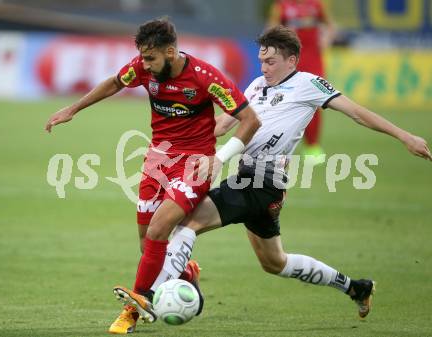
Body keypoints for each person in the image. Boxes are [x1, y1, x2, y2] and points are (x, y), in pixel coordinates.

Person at [116, 25, 432, 326]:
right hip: (250, 181)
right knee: (275, 262)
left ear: (291, 60)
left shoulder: (309, 84)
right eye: (261, 61)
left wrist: (404, 136)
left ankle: (147, 298)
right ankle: (355, 287)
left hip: (263, 184)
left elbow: (358, 113)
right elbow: (225, 123)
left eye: (270, 62)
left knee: (185, 225)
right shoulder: (256, 86)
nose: (264, 68)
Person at [45, 18, 261, 334]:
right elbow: (115, 82)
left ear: (170, 52)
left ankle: (134, 308)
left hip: (194, 164)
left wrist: (219, 158)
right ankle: (186, 274)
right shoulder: (145, 68)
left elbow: (250, 120)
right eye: (142, 57)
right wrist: (73, 109)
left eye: (150, 58)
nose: (143, 64)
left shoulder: (205, 77)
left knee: (160, 229)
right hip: (157, 161)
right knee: (148, 244)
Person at [268, 0, 337, 162]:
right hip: (290, 60)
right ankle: (279, 145)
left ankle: (312, 147)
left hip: (314, 60)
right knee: (284, 101)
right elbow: (270, 31)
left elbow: (331, 25)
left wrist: (326, 40)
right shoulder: (281, 6)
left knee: (315, 100)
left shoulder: (316, 5)